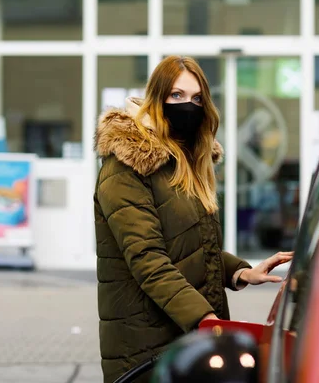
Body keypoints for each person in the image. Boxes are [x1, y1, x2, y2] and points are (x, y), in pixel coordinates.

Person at [93, 55, 294, 383]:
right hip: (148, 343)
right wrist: (208, 322)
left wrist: (241, 271)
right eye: (176, 96)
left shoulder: (186, 162)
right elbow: (148, 260)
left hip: (187, 335)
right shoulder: (126, 168)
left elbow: (190, 244)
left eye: (197, 98)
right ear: (157, 99)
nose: (188, 106)